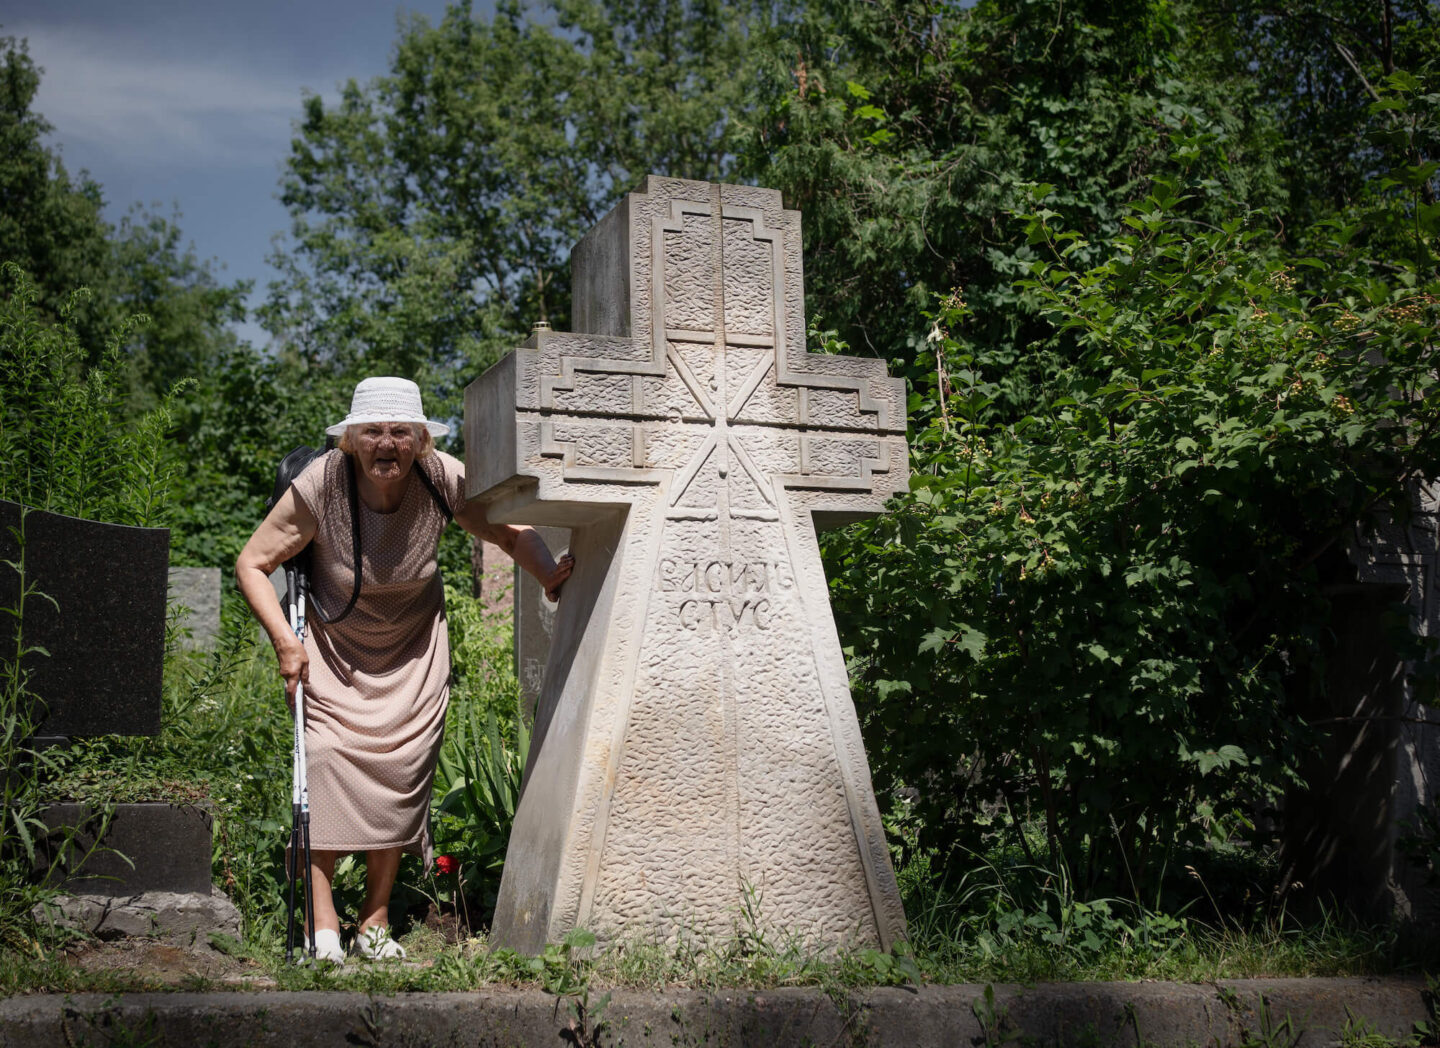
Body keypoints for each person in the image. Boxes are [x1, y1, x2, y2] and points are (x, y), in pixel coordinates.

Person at [235, 376, 574, 963]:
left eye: (399, 432)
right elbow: (252, 562)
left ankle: (374, 920)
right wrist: (286, 647)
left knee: (401, 773)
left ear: (420, 439)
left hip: (412, 650)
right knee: (325, 762)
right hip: (334, 651)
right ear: (350, 440)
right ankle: (322, 925)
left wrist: (549, 576)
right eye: (372, 432)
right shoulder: (322, 484)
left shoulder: (441, 475)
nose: (386, 444)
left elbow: (509, 532)